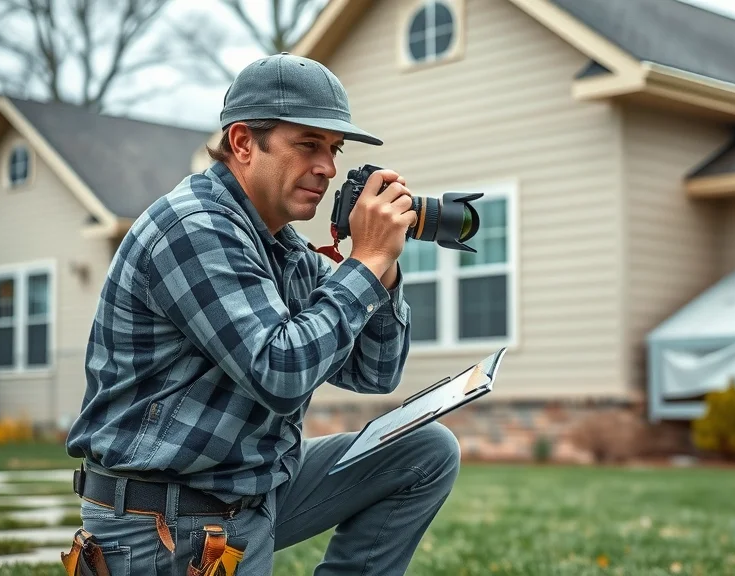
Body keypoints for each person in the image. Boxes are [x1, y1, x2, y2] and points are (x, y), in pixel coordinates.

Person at [63, 53, 461, 576]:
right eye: (308, 145)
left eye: (334, 149)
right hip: (164, 519)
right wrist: (364, 262)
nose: (327, 167)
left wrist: (382, 271)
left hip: (249, 494)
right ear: (244, 142)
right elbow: (281, 372)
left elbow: (374, 372)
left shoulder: (283, 249)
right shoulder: (193, 228)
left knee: (425, 450)